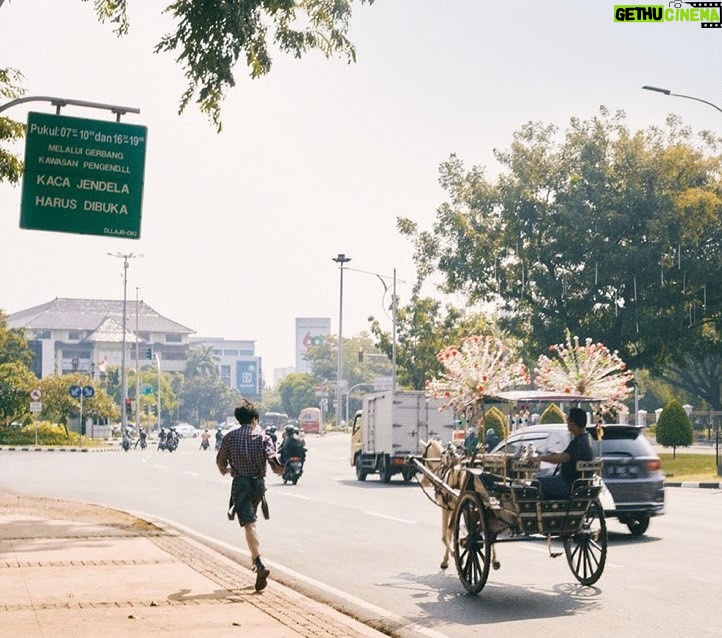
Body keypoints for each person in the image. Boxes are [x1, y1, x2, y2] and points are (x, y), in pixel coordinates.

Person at [216, 399, 282, 592]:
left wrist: (228, 470)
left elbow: (221, 464)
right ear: (254, 419)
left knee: (249, 524)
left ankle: (259, 562)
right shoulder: (263, 437)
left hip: (241, 484)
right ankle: (256, 561)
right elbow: (274, 462)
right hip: (258, 486)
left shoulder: (230, 437)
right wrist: (280, 468)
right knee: (251, 522)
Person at [536, 408, 594, 499]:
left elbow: (563, 458)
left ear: (572, 422)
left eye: (568, 420)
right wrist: (555, 454)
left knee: (536, 483)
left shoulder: (578, 442)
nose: (567, 423)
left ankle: (540, 511)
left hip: (568, 484)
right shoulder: (587, 438)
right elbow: (568, 455)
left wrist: (540, 458)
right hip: (578, 483)